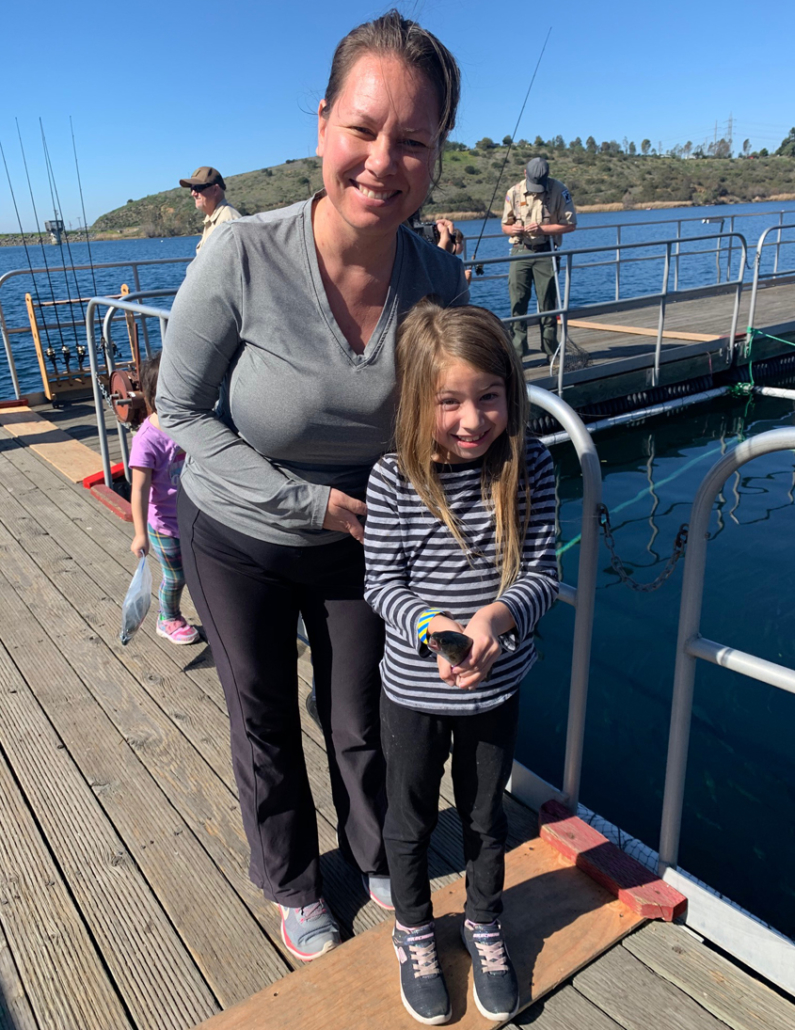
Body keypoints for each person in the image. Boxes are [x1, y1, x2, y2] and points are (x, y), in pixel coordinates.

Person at [157, 11, 468, 963]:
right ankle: (293, 882)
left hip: (362, 544)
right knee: (261, 721)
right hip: (239, 530)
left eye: (413, 141)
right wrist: (306, 503)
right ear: (323, 123)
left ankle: (376, 854)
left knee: (361, 716)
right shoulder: (240, 253)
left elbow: (447, 424)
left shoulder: (440, 277)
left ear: (436, 154)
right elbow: (179, 412)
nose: (383, 161)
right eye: (364, 130)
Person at [364, 299, 558, 1025]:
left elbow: (541, 574)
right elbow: (380, 583)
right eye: (448, 401)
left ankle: (483, 922)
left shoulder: (528, 461)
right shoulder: (390, 477)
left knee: (484, 816)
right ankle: (412, 929)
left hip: (496, 687)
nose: (472, 419)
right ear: (418, 401)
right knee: (409, 820)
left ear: (509, 389)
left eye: (487, 396)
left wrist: (493, 619)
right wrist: (431, 625)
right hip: (412, 691)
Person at [129, 352, 199, 645]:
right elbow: (140, 489)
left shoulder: (189, 425)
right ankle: (167, 617)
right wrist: (140, 534)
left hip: (194, 517)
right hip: (165, 526)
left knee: (198, 571)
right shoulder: (147, 439)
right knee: (176, 575)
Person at [501, 157, 576, 359]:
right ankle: (518, 351)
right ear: (525, 174)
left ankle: (551, 349)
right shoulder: (513, 192)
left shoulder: (559, 191)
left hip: (546, 251)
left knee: (548, 304)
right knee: (518, 302)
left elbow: (570, 225)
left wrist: (543, 228)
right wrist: (512, 229)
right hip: (520, 251)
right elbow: (504, 226)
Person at [179, 166, 241, 253]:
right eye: (192, 188)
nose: (193, 193)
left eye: (198, 188)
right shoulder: (212, 219)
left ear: (215, 190)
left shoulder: (228, 221)